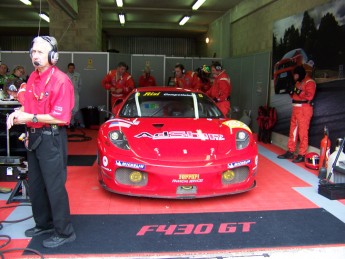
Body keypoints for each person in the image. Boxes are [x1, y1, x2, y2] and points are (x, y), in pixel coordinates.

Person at [6, 36, 76, 248]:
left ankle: (64, 232)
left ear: (52, 56)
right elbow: (29, 106)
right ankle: (43, 223)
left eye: (40, 51)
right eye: (33, 52)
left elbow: (61, 117)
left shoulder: (61, 80)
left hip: (52, 138)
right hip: (34, 137)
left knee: (54, 187)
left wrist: (30, 119)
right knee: (36, 185)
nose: (35, 55)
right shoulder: (33, 78)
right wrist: (17, 113)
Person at [277, 65, 316, 163]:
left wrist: (297, 91)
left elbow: (309, 96)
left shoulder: (310, 82)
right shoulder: (298, 82)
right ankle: (291, 151)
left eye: (296, 75)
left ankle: (302, 154)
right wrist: (290, 91)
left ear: (300, 74)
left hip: (304, 109)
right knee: (293, 131)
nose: (295, 77)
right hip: (296, 108)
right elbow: (294, 95)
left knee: (303, 133)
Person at [66, 63, 82, 127]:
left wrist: (78, 92)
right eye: (70, 68)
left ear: (74, 68)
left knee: (76, 109)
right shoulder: (65, 75)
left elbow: (80, 85)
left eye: (72, 68)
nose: (71, 69)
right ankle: (70, 123)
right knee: (68, 109)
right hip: (67, 94)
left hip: (75, 93)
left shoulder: (78, 75)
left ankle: (71, 122)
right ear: (68, 68)